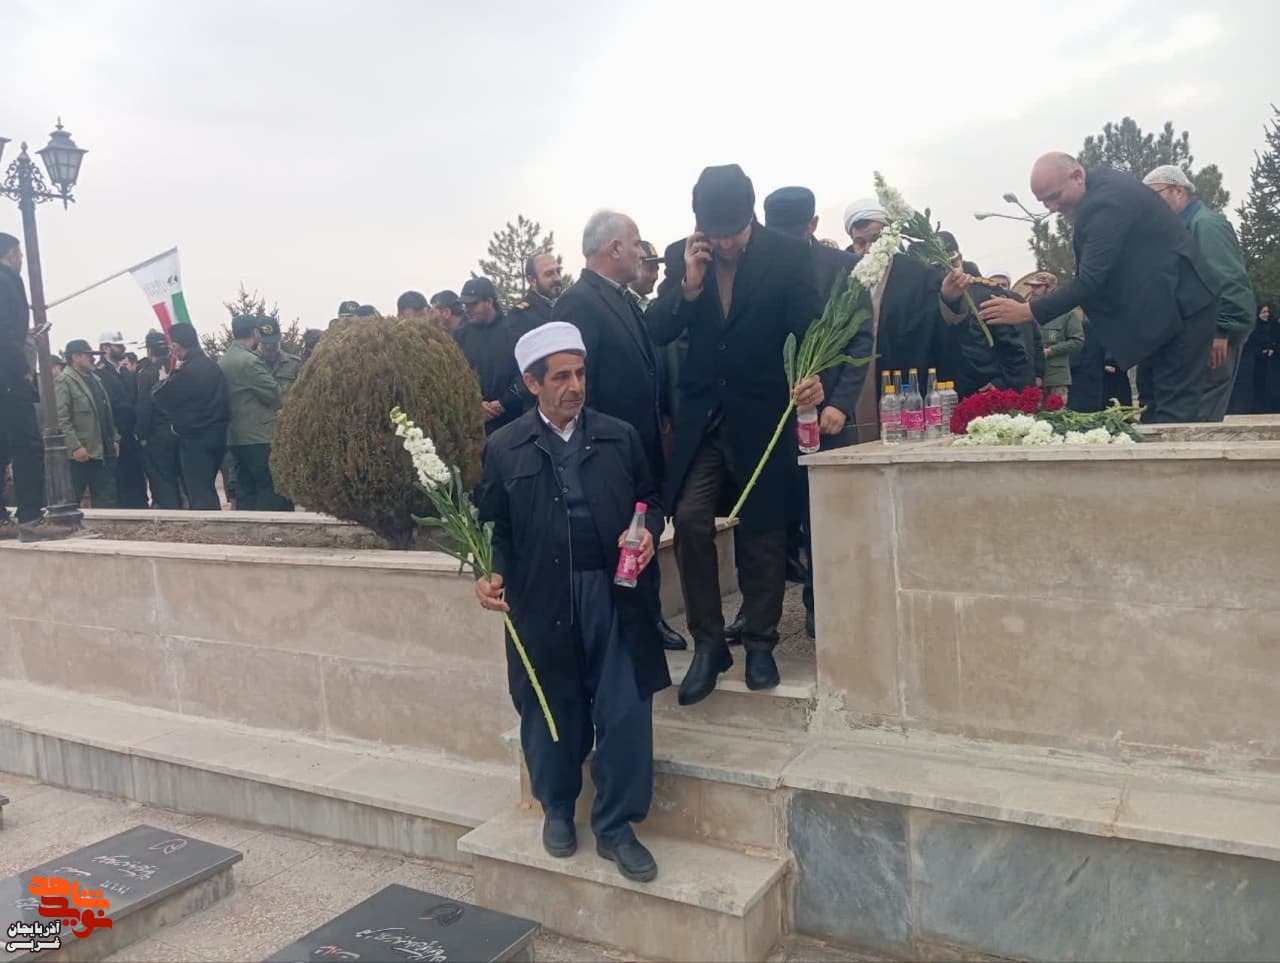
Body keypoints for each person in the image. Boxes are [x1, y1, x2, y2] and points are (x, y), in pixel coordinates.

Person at [475, 321, 668, 884]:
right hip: (542, 596)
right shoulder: (505, 447)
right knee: (549, 706)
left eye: (580, 373)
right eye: (560, 376)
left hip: (616, 593)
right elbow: (494, 527)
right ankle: (557, 807)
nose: (575, 386)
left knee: (625, 708)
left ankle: (616, 826)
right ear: (532, 383)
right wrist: (489, 572)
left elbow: (650, 500)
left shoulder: (618, 436)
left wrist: (648, 530)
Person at [646, 164, 824, 703]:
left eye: (734, 232)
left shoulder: (787, 254)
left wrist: (815, 379)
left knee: (763, 531)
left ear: (751, 216)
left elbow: (812, 327)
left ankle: (761, 642)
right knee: (691, 521)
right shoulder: (683, 255)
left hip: (764, 416)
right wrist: (689, 286)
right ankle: (709, 643)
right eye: (715, 232)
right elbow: (658, 328)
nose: (724, 243)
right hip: (704, 418)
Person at [977, 153, 1219, 423]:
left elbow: (1090, 281)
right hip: (1161, 316)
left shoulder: (1106, 202)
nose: (1052, 207)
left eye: (1055, 196)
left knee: (1175, 410)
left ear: (1077, 176)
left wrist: (1027, 311)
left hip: (1183, 310)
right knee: (1151, 404)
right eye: (1044, 202)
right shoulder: (1099, 192)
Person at [551, 211, 686, 652]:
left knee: (642, 530)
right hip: (603, 451)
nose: (640, 252)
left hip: (638, 445)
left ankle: (649, 617)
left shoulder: (623, 299)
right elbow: (574, 385)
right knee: (617, 537)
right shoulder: (578, 303)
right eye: (636, 244)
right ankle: (628, 626)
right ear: (614, 248)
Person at [762, 185, 869, 638]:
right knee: (772, 520)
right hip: (773, 414)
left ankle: (822, 604)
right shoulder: (756, 267)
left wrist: (840, 403)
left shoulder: (843, 268)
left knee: (827, 515)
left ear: (813, 225)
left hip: (829, 417)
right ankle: (759, 615)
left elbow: (860, 340)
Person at [1143, 165, 1257, 423]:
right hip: (1185, 339)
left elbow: (1227, 280)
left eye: (1154, 195)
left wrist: (1221, 331)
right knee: (1177, 415)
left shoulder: (1206, 225)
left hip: (1211, 338)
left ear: (1178, 191)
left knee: (1200, 415)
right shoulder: (1176, 229)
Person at [841, 199, 946, 439]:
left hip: (904, 380)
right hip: (857, 384)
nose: (868, 248)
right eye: (860, 242)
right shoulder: (847, 276)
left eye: (876, 239)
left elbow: (935, 329)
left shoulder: (918, 274)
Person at [0, 232, 51, 539]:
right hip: (8, 378)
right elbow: (4, 332)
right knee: (27, 445)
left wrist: (25, 336)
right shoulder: (7, 280)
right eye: (19, 254)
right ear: (11, 254)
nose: (21, 260)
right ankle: (31, 516)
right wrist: (22, 370)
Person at [153, 322, 230, 510]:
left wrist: (163, 381)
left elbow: (162, 398)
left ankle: (208, 524)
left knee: (199, 491)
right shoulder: (212, 366)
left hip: (195, 439)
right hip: (218, 435)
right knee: (207, 487)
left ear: (177, 346)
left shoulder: (186, 372)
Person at [220, 315, 290, 511]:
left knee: (246, 491)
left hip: (236, 436)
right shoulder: (250, 361)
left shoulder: (224, 360)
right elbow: (275, 395)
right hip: (260, 436)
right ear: (255, 332)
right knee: (270, 490)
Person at [455, 277, 531, 436]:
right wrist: (474, 403)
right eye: (465, 305)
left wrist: (504, 403)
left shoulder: (514, 333)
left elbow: (527, 373)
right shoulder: (460, 336)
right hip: (472, 423)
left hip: (512, 422)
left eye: (473, 304)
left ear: (489, 302)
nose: (468, 309)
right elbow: (453, 375)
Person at [56, 339, 119, 507]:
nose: (93, 358)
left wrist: (114, 437)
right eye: (88, 355)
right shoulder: (64, 381)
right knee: (72, 500)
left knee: (107, 500)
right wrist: (75, 446)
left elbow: (105, 412)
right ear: (75, 357)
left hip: (103, 451)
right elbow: (62, 419)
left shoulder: (96, 380)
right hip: (81, 454)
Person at [96, 329, 146, 507]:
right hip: (116, 433)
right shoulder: (100, 374)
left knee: (135, 476)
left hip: (131, 433)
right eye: (118, 346)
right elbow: (112, 405)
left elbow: (134, 397)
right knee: (120, 479)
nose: (122, 349)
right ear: (106, 348)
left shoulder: (124, 372)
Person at [135, 330, 183, 508]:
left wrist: (142, 434)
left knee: (162, 481)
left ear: (149, 350)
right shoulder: (178, 368)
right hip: (180, 430)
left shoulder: (146, 373)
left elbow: (144, 407)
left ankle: (170, 513)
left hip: (157, 433)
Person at [1020, 274, 1084, 400]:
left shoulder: (1067, 314)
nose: (1033, 290)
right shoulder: (1026, 312)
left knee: (1055, 411)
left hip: (1056, 378)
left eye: (1037, 287)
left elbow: (1077, 342)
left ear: (1050, 289)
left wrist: (1050, 351)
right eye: (1032, 286)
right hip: (1031, 377)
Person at [506, 253, 562, 331]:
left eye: (558, 272)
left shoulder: (568, 305)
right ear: (532, 280)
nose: (557, 278)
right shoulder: (520, 316)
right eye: (549, 274)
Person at [256, 319, 303, 394]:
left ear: (279, 340)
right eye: (265, 343)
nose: (269, 347)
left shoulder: (294, 363)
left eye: (273, 343)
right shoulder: (250, 362)